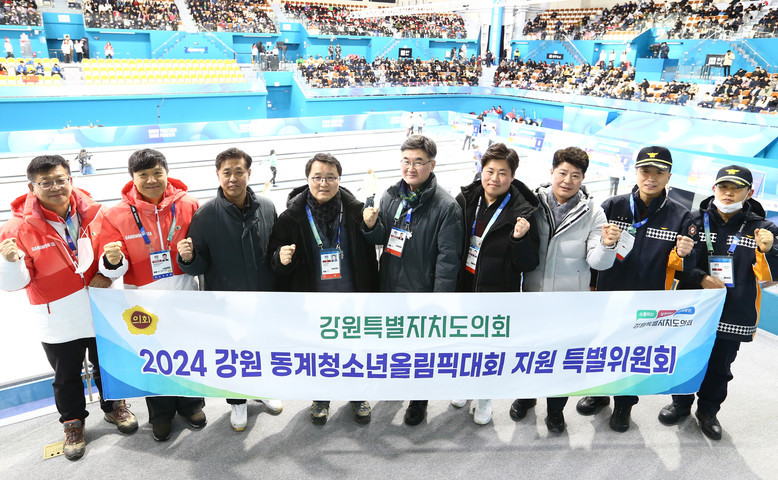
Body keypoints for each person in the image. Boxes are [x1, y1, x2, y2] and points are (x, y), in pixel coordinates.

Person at [0, 155, 137, 461]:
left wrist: (108, 270)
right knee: (66, 377)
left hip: (100, 307)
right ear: (32, 188)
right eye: (45, 182)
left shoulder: (97, 214)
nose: (55, 187)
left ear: (71, 180)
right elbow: (15, 283)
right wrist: (9, 263)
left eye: (60, 180)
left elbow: (116, 258)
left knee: (108, 364)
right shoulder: (16, 228)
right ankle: (73, 423)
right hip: (58, 317)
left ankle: (115, 406)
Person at [575, 146, 694, 432]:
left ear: (668, 176)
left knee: (633, 355)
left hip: (647, 302)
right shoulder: (612, 206)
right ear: (636, 172)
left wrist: (685, 255)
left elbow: (686, 270)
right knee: (603, 348)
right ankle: (600, 393)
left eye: (658, 172)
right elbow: (592, 249)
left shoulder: (680, 217)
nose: (651, 178)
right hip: (609, 295)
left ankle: (624, 406)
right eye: (645, 171)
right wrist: (591, 286)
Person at [658, 166, 778, 440]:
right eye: (724, 187)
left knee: (720, 366)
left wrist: (768, 250)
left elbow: (770, 276)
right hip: (693, 307)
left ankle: (708, 411)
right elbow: (674, 264)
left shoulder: (763, 229)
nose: (728, 193)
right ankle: (680, 404)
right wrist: (700, 277)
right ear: (714, 189)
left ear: (749, 192)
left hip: (734, 310)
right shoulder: (693, 220)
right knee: (687, 357)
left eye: (736, 188)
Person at [98, 148, 205, 442]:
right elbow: (113, 266)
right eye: (143, 174)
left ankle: (192, 405)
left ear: (166, 173)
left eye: (157, 172)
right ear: (132, 178)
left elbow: (203, 249)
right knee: (154, 359)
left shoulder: (189, 204)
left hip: (183, 292)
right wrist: (112, 260)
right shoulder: (116, 214)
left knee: (187, 353)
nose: (151, 180)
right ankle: (160, 415)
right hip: (143, 300)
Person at [513, 147, 620, 433]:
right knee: (529, 353)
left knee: (561, 359)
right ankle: (525, 397)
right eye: (562, 173)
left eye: (575, 175)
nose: (567, 180)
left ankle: (555, 411)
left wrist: (608, 245)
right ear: (552, 172)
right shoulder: (532, 204)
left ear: (583, 179)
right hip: (533, 297)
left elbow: (597, 262)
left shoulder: (593, 212)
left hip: (570, 304)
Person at [177, 147, 283, 432]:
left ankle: (263, 389)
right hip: (225, 301)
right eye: (227, 173)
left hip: (262, 296)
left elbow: (274, 250)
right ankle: (237, 401)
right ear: (218, 175)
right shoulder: (205, 215)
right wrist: (188, 258)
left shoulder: (267, 207)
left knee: (262, 347)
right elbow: (197, 266)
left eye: (239, 171)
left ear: (249, 173)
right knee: (233, 354)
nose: (233, 178)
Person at [269, 153, 379, 425]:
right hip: (313, 302)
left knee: (354, 350)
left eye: (330, 177)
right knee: (319, 352)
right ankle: (321, 397)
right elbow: (274, 261)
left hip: (351, 299)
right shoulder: (291, 218)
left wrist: (372, 226)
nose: (323, 183)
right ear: (308, 179)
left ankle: (358, 395)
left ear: (339, 180)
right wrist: (280, 259)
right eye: (317, 177)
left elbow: (375, 244)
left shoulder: (355, 211)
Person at [362, 135, 464, 426]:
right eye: (406, 161)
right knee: (394, 343)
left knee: (420, 352)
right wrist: (370, 226)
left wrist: (438, 303)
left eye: (419, 162)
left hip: (422, 293)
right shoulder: (391, 195)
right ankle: (396, 384)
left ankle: (419, 400)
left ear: (432, 165)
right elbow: (382, 238)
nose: (411, 167)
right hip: (391, 287)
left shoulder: (446, 207)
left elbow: (448, 261)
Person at [452, 143, 540, 425]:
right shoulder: (466, 199)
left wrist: (519, 239)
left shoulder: (524, 212)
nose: (495, 178)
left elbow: (529, 263)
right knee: (463, 342)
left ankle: (485, 397)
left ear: (512, 177)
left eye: (503, 173)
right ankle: (464, 385)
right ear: (481, 171)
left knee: (488, 348)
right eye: (490, 171)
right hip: (465, 285)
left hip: (498, 291)